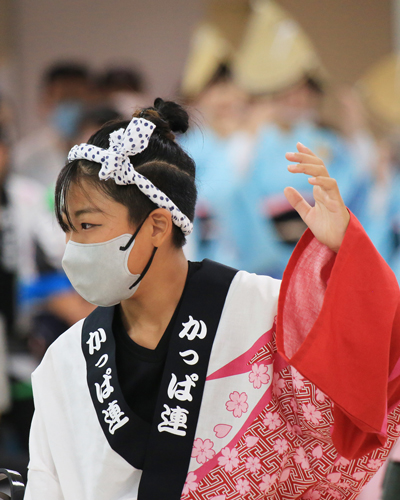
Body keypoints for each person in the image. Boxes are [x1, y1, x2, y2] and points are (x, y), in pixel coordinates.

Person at [24, 99, 400, 500]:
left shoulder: (265, 313)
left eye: (87, 225)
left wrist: (347, 251)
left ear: (157, 226)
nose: (72, 248)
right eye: (67, 228)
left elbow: (377, 358)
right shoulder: (65, 362)